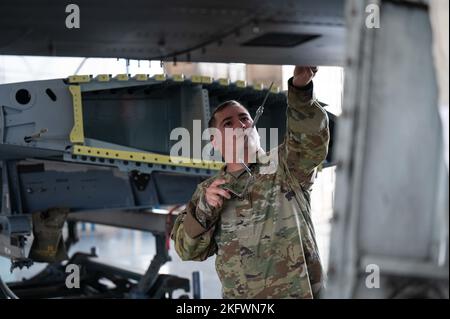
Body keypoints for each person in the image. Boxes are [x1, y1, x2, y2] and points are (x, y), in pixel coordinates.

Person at [171, 66, 330, 298]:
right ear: (215, 141)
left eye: (244, 118)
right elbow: (186, 251)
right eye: (228, 123)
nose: (241, 125)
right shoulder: (209, 191)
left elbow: (311, 141)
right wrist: (206, 209)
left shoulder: (285, 165)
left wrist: (301, 90)